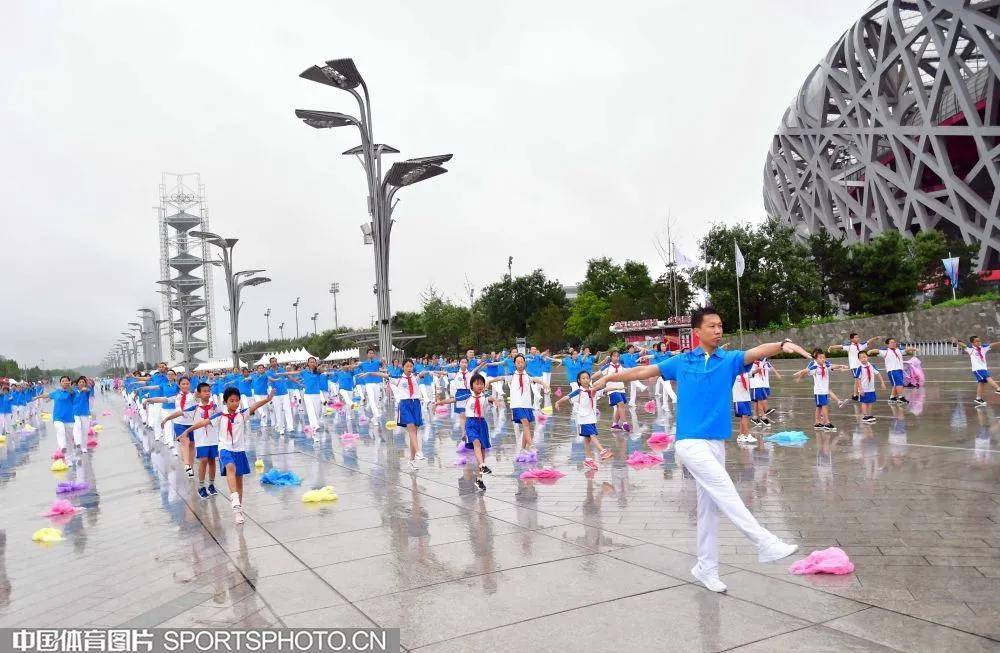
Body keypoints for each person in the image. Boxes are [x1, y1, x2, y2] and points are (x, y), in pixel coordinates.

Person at [591, 307, 808, 593]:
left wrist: (781, 345)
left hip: (716, 442)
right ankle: (763, 542)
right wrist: (609, 378)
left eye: (721, 325)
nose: (719, 330)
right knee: (724, 488)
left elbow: (756, 352)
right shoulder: (681, 361)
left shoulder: (729, 360)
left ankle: (706, 568)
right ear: (697, 331)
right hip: (690, 442)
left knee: (709, 508)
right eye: (713, 326)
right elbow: (645, 370)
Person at [181, 387, 273, 523]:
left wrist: (267, 399)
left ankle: (238, 511)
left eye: (237, 400)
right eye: (231, 401)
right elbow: (203, 422)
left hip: (240, 451)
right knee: (230, 467)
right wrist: (187, 430)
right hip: (225, 449)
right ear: (225, 402)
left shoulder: (242, 414)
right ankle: (234, 498)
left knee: (239, 482)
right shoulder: (219, 416)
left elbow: (254, 406)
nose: (235, 403)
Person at [437, 372, 500, 490]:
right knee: (476, 443)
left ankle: (479, 479)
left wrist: (496, 399)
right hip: (471, 423)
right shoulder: (467, 397)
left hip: (482, 424)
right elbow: (453, 400)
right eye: (477, 384)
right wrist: (440, 402)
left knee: (482, 451)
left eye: (482, 384)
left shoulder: (485, 397)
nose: (480, 386)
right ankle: (482, 465)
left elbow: (491, 398)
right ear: (471, 386)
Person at [369, 361, 433, 471]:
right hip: (405, 405)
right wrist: (369, 373)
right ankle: (418, 451)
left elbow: (424, 372)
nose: (409, 368)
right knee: (411, 429)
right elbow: (384, 375)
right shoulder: (398, 379)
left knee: (414, 433)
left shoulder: (415, 377)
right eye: (407, 366)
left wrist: (430, 372)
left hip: (416, 404)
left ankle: (412, 460)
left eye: (411, 366)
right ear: (402, 367)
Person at [555, 370, 613, 469]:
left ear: (590, 379)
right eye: (583, 378)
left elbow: (604, 390)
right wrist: (558, 402)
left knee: (587, 439)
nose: (586, 380)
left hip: (591, 418)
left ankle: (588, 460)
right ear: (579, 381)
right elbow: (567, 396)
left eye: (587, 378)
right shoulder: (579, 392)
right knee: (592, 435)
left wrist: (618, 387)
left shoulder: (593, 390)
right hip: (583, 419)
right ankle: (602, 451)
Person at [153, 376, 199, 478]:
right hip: (179, 424)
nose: (185, 386)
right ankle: (187, 464)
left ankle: (190, 466)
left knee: (191, 445)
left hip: (192, 424)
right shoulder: (176, 397)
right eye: (183, 384)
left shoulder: (193, 396)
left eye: (187, 384)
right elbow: (163, 399)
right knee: (184, 442)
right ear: (179, 385)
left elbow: (199, 392)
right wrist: (148, 400)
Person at [794, 349, 850, 431]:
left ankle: (817, 423)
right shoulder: (814, 367)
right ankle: (827, 423)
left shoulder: (825, 365)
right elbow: (805, 371)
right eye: (820, 358)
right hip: (819, 391)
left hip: (824, 390)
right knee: (824, 406)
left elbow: (832, 366)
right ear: (816, 359)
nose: (823, 359)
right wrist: (799, 377)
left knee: (819, 407)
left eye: (824, 357)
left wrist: (841, 366)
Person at [507, 354, 548, 454]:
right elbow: (499, 378)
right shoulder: (511, 375)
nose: (520, 364)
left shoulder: (527, 375)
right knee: (525, 424)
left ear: (524, 363)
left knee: (528, 427)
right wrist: (488, 381)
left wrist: (544, 384)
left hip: (527, 405)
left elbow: (536, 380)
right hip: (517, 405)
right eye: (518, 362)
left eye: (522, 362)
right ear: (515, 364)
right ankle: (531, 446)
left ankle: (522, 449)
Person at [34, 376, 81, 456]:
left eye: (66, 381)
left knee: (69, 440)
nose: (64, 382)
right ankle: (62, 446)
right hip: (57, 417)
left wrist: (69, 386)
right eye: (63, 381)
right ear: (60, 383)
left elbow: (72, 392)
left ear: (69, 382)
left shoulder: (73, 392)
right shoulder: (57, 392)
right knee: (60, 430)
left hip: (69, 419)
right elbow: (47, 395)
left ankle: (68, 458)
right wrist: (38, 397)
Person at [829, 333, 881, 400]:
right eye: (856, 337)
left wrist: (875, 338)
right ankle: (857, 394)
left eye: (858, 337)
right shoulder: (849, 346)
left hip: (862, 366)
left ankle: (855, 395)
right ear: (852, 339)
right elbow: (840, 346)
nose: (858, 338)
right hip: (854, 366)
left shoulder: (861, 345)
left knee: (860, 380)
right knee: (857, 380)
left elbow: (868, 341)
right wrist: (831, 347)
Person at [952, 336, 1000, 406]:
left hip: (983, 368)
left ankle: (978, 398)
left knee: (981, 383)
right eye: (976, 341)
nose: (979, 342)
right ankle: (998, 388)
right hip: (977, 369)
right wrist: (956, 341)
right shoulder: (970, 349)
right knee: (987, 377)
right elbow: (964, 345)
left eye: (979, 341)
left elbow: (991, 344)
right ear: (972, 343)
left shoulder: (983, 348)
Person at [594, 350, 631, 431]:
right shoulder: (607, 366)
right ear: (611, 357)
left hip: (621, 388)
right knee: (620, 404)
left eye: (617, 356)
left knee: (619, 406)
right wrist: (589, 379)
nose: (616, 358)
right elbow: (599, 373)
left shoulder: (621, 366)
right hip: (611, 389)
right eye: (614, 356)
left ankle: (614, 425)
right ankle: (625, 423)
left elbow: (629, 372)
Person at [874, 338, 915, 403]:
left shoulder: (898, 350)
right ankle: (901, 397)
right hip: (892, 370)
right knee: (899, 384)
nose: (894, 344)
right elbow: (877, 351)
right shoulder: (885, 351)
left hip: (900, 370)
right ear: (888, 344)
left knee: (896, 384)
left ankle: (892, 397)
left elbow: (906, 350)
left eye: (894, 342)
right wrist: (870, 351)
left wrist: (913, 349)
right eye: (892, 342)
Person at [854, 351, 885, 423]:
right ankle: (865, 416)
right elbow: (857, 379)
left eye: (864, 357)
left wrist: (882, 383)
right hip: (863, 389)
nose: (863, 359)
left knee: (870, 402)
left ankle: (869, 414)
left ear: (867, 357)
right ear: (859, 359)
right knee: (864, 402)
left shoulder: (872, 366)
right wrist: (860, 388)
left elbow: (878, 374)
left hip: (871, 388)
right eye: (861, 358)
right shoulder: (859, 368)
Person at [70, 377, 94, 454]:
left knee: (85, 430)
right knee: (77, 427)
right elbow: (68, 391)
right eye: (80, 382)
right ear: (77, 383)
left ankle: (84, 447)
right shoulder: (74, 391)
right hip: (75, 413)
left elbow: (89, 387)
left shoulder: (86, 391)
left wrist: (85, 387)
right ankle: (78, 443)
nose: (81, 383)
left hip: (84, 413)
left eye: (83, 382)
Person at [731, 370, 756, 445]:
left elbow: (751, 373)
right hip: (738, 399)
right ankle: (746, 435)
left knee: (745, 417)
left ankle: (740, 435)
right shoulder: (733, 373)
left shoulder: (745, 373)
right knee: (744, 415)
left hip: (746, 398)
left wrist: (758, 369)